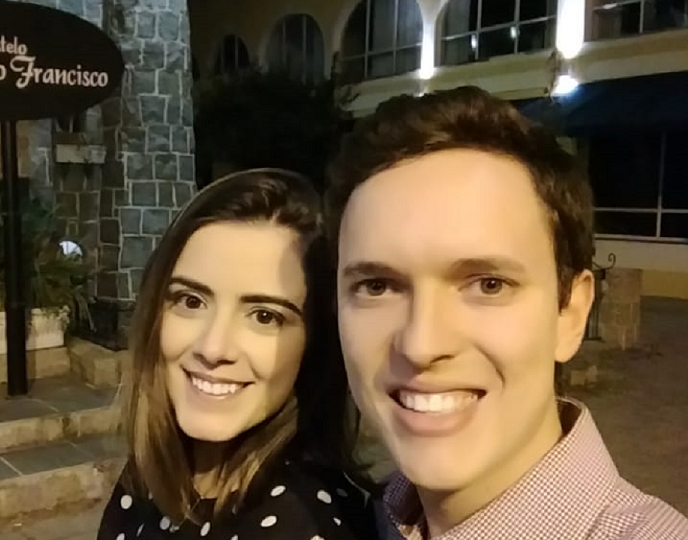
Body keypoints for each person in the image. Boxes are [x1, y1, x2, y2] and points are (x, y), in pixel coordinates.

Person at [325, 86, 688, 539]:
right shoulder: (354, 520)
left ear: (571, 313)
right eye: (377, 286)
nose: (421, 344)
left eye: (488, 284)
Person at [97, 169, 377, 540]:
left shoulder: (301, 525)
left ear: (316, 343)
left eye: (265, 316)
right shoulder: (153, 475)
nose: (213, 348)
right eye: (191, 301)